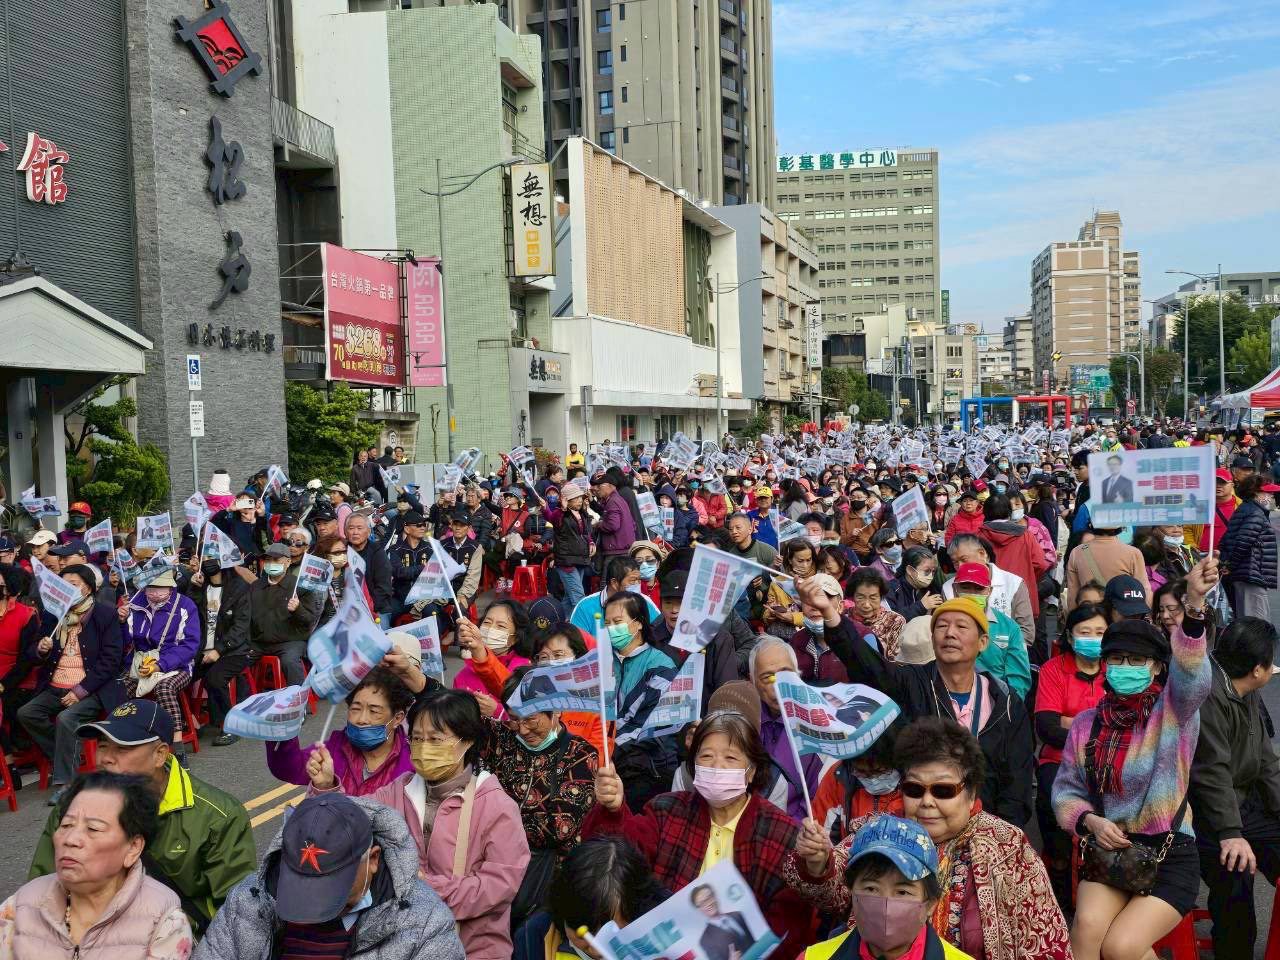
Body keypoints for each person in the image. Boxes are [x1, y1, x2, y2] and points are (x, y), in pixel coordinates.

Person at [790, 717, 1070, 960]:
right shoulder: (881, 831)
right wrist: (817, 863)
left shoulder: (1007, 846)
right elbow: (834, 894)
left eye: (943, 791)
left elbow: (1045, 942)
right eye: (914, 789)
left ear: (971, 793)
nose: (926, 802)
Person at [1052, 558, 1217, 960]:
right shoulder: (1087, 724)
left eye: (1137, 660)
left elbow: (1192, 676)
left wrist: (1194, 606)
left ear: (1157, 667)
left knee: (1121, 947)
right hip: (1112, 850)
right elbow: (1066, 790)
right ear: (1105, 665)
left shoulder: (1174, 712)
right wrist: (1090, 821)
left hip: (1169, 853)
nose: (1125, 667)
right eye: (1117, 660)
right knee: (1086, 929)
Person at [306, 690, 528, 959]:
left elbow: (498, 886)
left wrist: (424, 887)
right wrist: (325, 787)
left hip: (472, 949)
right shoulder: (401, 790)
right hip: (405, 946)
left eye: (435, 739)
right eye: (417, 738)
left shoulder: (496, 806)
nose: (423, 748)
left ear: (467, 741)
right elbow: (348, 817)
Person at [799, 578, 1033, 827]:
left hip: (986, 825)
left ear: (983, 642)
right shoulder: (912, 683)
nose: (950, 633)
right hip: (924, 822)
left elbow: (1017, 778)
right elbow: (867, 664)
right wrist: (831, 616)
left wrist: (1000, 831)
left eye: (961, 627)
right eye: (941, 626)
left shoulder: (1005, 703)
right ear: (932, 639)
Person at [586, 710, 817, 959]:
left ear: (751, 771)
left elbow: (789, 925)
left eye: (730, 757)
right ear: (694, 764)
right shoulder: (666, 810)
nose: (717, 766)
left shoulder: (781, 833)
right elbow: (618, 860)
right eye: (706, 756)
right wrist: (613, 810)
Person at [29, 699, 255, 935]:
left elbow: (236, 916)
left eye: (122, 748)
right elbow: (42, 892)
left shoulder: (217, 816)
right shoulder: (73, 811)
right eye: (103, 746)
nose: (106, 758)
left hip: (181, 941)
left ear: (160, 755)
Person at [195, 792, 464, 960]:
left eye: (333, 886)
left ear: (373, 859)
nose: (316, 903)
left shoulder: (424, 923)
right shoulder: (249, 900)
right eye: (303, 885)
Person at [1, 771, 192, 959]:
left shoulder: (164, 922)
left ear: (133, 847)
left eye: (93, 829)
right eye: (66, 825)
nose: (70, 839)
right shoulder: (21, 905)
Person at [1189, 616, 1280, 959]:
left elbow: (1266, 760)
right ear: (1257, 670)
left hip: (1243, 802)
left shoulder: (1244, 687)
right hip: (1206, 816)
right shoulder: (1208, 696)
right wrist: (1230, 832)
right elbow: (1211, 772)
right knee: (1236, 880)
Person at [797, 815, 974, 960]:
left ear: (930, 904)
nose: (885, 907)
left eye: (902, 892)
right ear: (852, 893)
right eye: (871, 889)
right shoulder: (814, 957)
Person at [17, 564, 124, 803]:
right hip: (56, 684)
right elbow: (33, 653)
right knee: (27, 713)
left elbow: (111, 660)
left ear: (88, 588)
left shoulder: (104, 614)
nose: (68, 590)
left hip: (92, 688)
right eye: (64, 585)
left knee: (67, 719)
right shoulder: (54, 613)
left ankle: (68, 783)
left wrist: (79, 691)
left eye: (73, 585)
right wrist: (41, 649)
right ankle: (66, 755)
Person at [1032, 601, 1108, 907]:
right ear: (1070, 636)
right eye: (1085, 632)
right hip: (1059, 759)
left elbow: (1126, 722)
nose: (1093, 638)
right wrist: (1097, 729)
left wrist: (1071, 721)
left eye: (1100, 632)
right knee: (1052, 800)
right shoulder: (1053, 669)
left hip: (1109, 760)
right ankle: (1059, 867)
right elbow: (1047, 727)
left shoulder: (1118, 670)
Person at [269, 666, 415, 796]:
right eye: (355, 709)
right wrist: (280, 732)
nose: (362, 719)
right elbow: (290, 768)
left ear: (397, 718)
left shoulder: (412, 760)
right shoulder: (334, 749)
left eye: (374, 711)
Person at [538, 836, 670, 960]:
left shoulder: (662, 942)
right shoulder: (536, 938)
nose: (597, 951)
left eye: (611, 937)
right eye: (582, 935)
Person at [117, 568, 201, 742]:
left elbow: (189, 646)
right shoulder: (135, 603)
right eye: (151, 587)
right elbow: (125, 643)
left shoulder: (185, 606)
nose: (155, 593)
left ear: (171, 587)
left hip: (178, 666)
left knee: (164, 688)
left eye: (161, 588)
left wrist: (160, 665)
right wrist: (122, 622)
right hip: (139, 663)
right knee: (117, 688)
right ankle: (129, 737)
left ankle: (176, 745)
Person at [751, 638, 824, 823]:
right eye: (767, 677)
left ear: (797, 674)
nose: (777, 685)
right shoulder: (744, 721)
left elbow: (816, 800)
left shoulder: (816, 727)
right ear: (753, 682)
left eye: (785, 673)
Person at [185, 558, 252, 746]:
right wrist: (194, 587)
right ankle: (190, 722)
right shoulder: (200, 585)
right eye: (204, 556)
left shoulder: (239, 587)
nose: (207, 560)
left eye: (211, 556)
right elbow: (188, 613)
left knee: (214, 679)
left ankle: (232, 725)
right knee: (179, 677)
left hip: (233, 650)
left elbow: (240, 627)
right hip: (201, 650)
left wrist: (219, 650)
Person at [949, 562, 1031, 700]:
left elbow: (1019, 679)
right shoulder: (942, 624)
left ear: (989, 591)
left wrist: (1006, 706)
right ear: (954, 589)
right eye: (965, 587)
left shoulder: (1009, 627)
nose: (971, 594)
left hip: (995, 700)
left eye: (979, 588)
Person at [247, 543, 323, 686]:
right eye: (268, 560)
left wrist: (298, 609)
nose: (271, 563)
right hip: (259, 642)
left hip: (290, 642)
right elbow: (246, 616)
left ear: (288, 562)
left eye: (276, 560)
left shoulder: (300, 586)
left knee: (290, 661)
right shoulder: (256, 586)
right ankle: (245, 697)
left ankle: (299, 699)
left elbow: (309, 619)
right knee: (236, 660)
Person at [942, 534, 1035, 646]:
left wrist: (1000, 650)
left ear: (982, 554)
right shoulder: (948, 587)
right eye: (955, 562)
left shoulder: (1013, 583)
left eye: (964, 559)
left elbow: (1026, 632)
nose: (960, 566)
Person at [452, 598, 531, 719]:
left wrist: (498, 712)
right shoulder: (462, 675)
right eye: (487, 622)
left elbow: (530, 718)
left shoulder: (524, 671)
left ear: (515, 638)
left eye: (501, 626)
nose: (491, 629)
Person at [1218, 473, 1280, 619]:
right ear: (1255, 493)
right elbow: (1243, 542)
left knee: (1248, 618)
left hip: (1246, 573)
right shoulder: (1255, 513)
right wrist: (1231, 565)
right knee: (1255, 622)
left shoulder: (1247, 509)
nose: (1271, 496)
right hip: (1250, 573)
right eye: (1268, 493)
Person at [1064, 523, 1151, 611]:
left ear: (1091, 524)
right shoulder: (1133, 553)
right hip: (1121, 614)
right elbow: (1144, 592)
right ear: (1121, 526)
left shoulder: (1077, 553)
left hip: (1090, 614)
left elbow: (1072, 599)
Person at [569, 556, 660, 637]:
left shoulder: (645, 602)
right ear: (614, 583)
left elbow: (660, 634)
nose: (637, 584)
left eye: (639, 580)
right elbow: (577, 643)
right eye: (633, 580)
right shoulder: (585, 607)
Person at [545, 483, 594, 613]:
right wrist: (563, 509)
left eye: (580, 497)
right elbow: (554, 521)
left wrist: (591, 543)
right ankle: (582, 622)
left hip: (580, 559)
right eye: (575, 498)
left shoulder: (582, 513)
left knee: (569, 595)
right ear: (567, 500)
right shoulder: (559, 513)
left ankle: (562, 618)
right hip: (566, 561)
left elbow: (586, 533)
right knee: (578, 596)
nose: (579, 500)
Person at [846, 568, 906, 663]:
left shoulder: (895, 621)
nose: (866, 605)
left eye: (873, 598)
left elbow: (894, 661)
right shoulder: (844, 620)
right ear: (853, 597)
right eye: (860, 597)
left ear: (881, 597)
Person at [346, 514, 395, 625]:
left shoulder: (377, 552)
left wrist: (366, 608)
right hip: (349, 608)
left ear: (368, 532)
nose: (355, 532)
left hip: (377, 608)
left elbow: (383, 588)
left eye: (359, 528)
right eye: (351, 528)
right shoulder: (342, 551)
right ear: (345, 532)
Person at [692, 883, 755, 960]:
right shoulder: (705, 940)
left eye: (709, 898)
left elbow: (752, 941)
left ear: (715, 896)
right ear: (699, 909)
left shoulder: (737, 915)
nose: (708, 904)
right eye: (702, 903)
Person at [885, 545, 944, 621]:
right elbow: (890, 621)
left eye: (933, 571)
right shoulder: (891, 589)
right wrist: (921, 606)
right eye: (927, 571)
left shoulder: (933, 589)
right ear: (910, 570)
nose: (931, 576)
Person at [594, 469, 639, 561]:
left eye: (599, 485)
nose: (597, 488)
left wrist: (598, 524)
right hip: (622, 548)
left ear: (610, 486)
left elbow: (613, 525)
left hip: (616, 552)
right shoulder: (616, 499)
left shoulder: (613, 501)